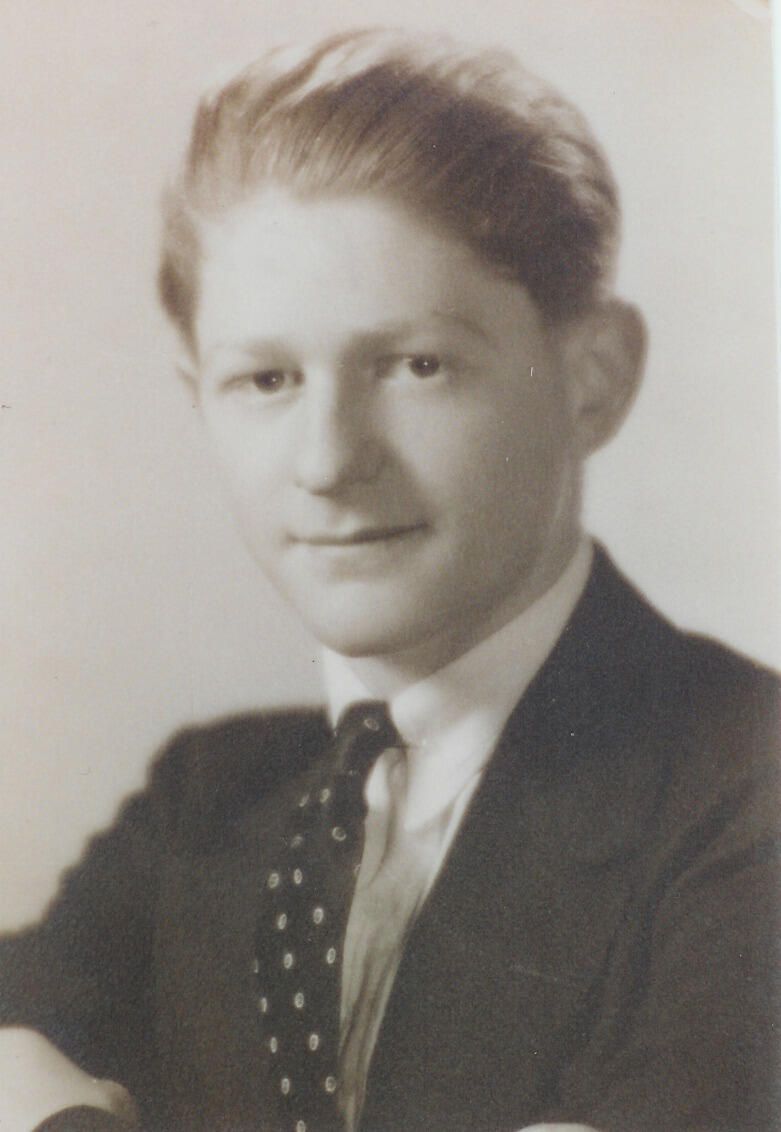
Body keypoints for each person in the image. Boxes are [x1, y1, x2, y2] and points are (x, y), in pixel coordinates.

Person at [1, 27, 778, 1132]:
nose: (328, 461)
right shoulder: (207, 801)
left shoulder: (744, 788)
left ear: (594, 379)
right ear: (197, 394)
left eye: (417, 365)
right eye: (265, 379)